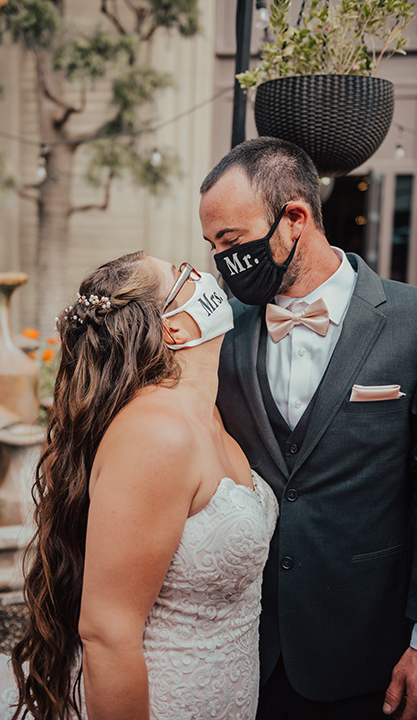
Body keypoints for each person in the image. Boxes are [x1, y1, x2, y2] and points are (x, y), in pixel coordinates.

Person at [0, 250, 278, 720]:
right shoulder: (155, 435)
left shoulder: (211, 413)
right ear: (174, 328)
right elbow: (107, 631)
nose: (199, 272)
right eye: (182, 274)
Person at [198, 137, 417, 720]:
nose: (223, 261)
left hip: (373, 649)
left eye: (232, 241)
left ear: (295, 218)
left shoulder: (411, 322)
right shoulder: (222, 331)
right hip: (248, 653)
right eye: (212, 246)